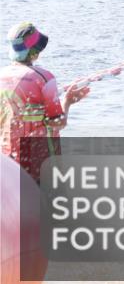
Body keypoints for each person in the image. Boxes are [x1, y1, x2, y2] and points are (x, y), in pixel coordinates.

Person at [1, 23, 89, 181]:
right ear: (34, 53)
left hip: (6, 162)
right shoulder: (44, 78)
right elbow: (58, 122)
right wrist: (68, 101)